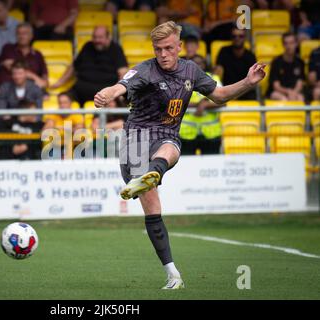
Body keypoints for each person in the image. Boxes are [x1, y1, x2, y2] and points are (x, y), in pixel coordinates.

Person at [94, 21, 266, 289]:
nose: (163, 54)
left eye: (168, 48)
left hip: (165, 136)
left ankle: (153, 174)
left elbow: (219, 96)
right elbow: (121, 86)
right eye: (158, 49)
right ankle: (172, 271)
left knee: (171, 147)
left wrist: (248, 82)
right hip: (136, 142)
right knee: (153, 211)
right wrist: (108, 93)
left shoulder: (191, 70)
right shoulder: (144, 71)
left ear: (179, 47)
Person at [51, 25, 128, 107]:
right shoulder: (87, 46)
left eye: (100, 37)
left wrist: (114, 93)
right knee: (64, 98)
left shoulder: (116, 49)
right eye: (94, 37)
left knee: (114, 105)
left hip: (104, 92)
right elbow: (73, 67)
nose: (97, 40)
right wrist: (59, 83)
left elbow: (122, 73)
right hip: (80, 90)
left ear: (108, 37)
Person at [180, 55, 222, 155]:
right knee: (186, 167)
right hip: (186, 133)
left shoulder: (213, 78)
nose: (198, 66)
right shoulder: (180, 80)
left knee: (211, 168)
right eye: (194, 63)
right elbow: (176, 102)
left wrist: (205, 105)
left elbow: (223, 101)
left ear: (204, 65)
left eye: (200, 63)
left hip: (211, 133)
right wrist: (198, 104)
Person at [0, 23, 48, 87]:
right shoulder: (8, 48)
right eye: (18, 33)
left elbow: (44, 78)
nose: (21, 36)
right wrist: (33, 76)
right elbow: (7, 65)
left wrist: (41, 81)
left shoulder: (37, 55)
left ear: (31, 36)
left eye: (24, 33)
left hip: (29, 91)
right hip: (7, 90)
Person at [213, 28, 257, 100]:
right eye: (234, 36)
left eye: (240, 36)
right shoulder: (224, 51)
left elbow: (253, 80)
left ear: (245, 38)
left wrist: (236, 93)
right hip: (226, 91)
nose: (237, 38)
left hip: (244, 92)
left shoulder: (250, 56)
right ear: (231, 38)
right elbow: (217, 73)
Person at [267, 33, 305, 101]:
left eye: (291, 43)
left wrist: (294, 93)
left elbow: (300, 83)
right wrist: (288, 92)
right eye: (286, 43)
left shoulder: (300, 62)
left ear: (296, 44)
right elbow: (276, 86)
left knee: (300, 98)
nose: (288, 46)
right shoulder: (276, 62)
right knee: (283, 99)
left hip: (294, 92)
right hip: (278, 92)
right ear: (283, 45)